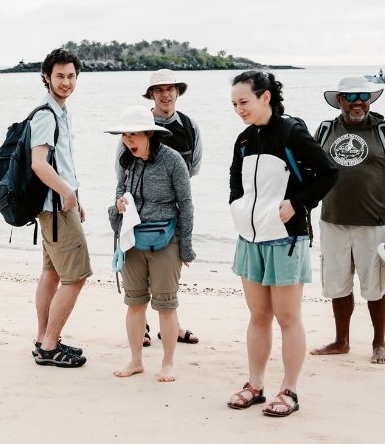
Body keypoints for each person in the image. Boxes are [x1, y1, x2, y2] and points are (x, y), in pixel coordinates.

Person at [227, 71, 338, 417]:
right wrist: (238, 207)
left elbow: (329, 172)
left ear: (266, 97)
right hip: (250, 238)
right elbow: (235, 181)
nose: (238, 109)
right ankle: (255, 385)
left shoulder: (292, 133)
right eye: (233, 104)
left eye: (244, 102)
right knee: (258, 316)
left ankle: (289, 390)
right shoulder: (244, 140)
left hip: (286, 239)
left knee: (288, 317)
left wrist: (297, 204)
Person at [107, 105, 195, 382]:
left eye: (134, 134)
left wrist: (186, 247)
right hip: (132, 240)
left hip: (166, 239)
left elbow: (187, 204)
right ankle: (136, 361)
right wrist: (119, 202)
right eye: (125, 135)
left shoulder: (172, 161)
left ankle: (167, 364)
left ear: (149, 133)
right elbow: (120, 191)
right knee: (134, 303)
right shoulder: (126, 159)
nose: (128, 140)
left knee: (166, 305)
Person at [119, 69, 202, 346]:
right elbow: (121, 175)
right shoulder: (134, 128)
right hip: (135, 217)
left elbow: (194, 168)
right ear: (151, 94)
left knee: (168, 281)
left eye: (170, 89)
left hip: (170, 214)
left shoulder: (190, 127)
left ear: (177, 92)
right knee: (138, 285)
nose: (165, 94)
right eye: (159, 90)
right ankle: (141, 327)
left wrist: (171, 190)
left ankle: (172, 327)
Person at [309, 76, 385, 363]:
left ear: (370, 99)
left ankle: (380, 342)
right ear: (339, 100)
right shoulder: (327, 129)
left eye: (363, 96)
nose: (357, 102)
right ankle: (341, 341)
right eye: (350, 97)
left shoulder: (382, 130)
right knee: (338, 283)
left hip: (375, 222)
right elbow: (311, 170)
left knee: (377, 286)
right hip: (333, 220)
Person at [30, 48, 91, 368]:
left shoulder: (60, 113)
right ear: (46, 78)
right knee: (77, 276)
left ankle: (43, 339)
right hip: (55, 208)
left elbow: (61, 163)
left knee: (52, 272)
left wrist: (75, 197)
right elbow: (39, 164)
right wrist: (67, 194)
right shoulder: (45, 115)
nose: (66, 82)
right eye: (59, 76)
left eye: (71, 76)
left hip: (56, 204)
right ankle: (50, 344)